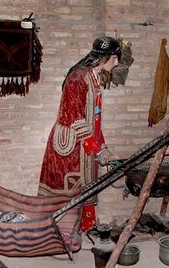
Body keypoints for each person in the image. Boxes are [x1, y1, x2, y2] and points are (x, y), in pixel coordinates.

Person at [38, 36, 120, 234]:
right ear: (104, 57)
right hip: (70, 146)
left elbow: (95, 119)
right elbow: (76, 119)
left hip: (85, 144)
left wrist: (102, 146)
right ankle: (56, 234)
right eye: (114, 58)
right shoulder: (77, 78)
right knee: (68, 192)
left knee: (86, 188)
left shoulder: (94, 77)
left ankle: (83, 230)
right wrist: (96, 148)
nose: (117, 62)